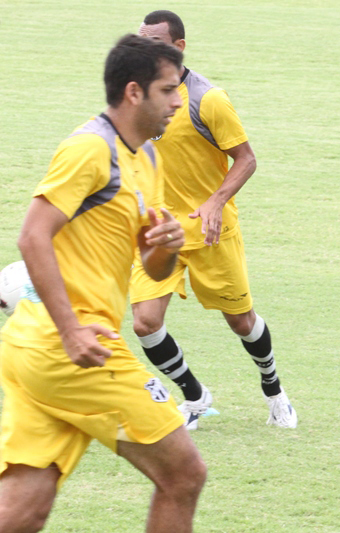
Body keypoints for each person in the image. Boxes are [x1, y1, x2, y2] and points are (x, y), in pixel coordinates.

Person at [0, 35, 206, 532]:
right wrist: (71, 330)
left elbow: (151, 268)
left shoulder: (148, 159)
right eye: (167, 90)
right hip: (73, 347)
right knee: (184, 475)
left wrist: (167, 246)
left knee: (23, 510)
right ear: (134, 92)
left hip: (38, 348)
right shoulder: (90, 149)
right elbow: (32, 237)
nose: (178, 101)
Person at [131, 10, 297, 430]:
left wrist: (216, 202)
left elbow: (246, 158)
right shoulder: (135, 94)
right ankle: (195, 396)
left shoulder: (208, 99)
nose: (145, 46)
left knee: (241, 321)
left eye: (154, 40)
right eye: (140, 38)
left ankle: (274, 391)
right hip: (158, 233)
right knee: (145, 322)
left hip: (210, 231)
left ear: (178, 47)